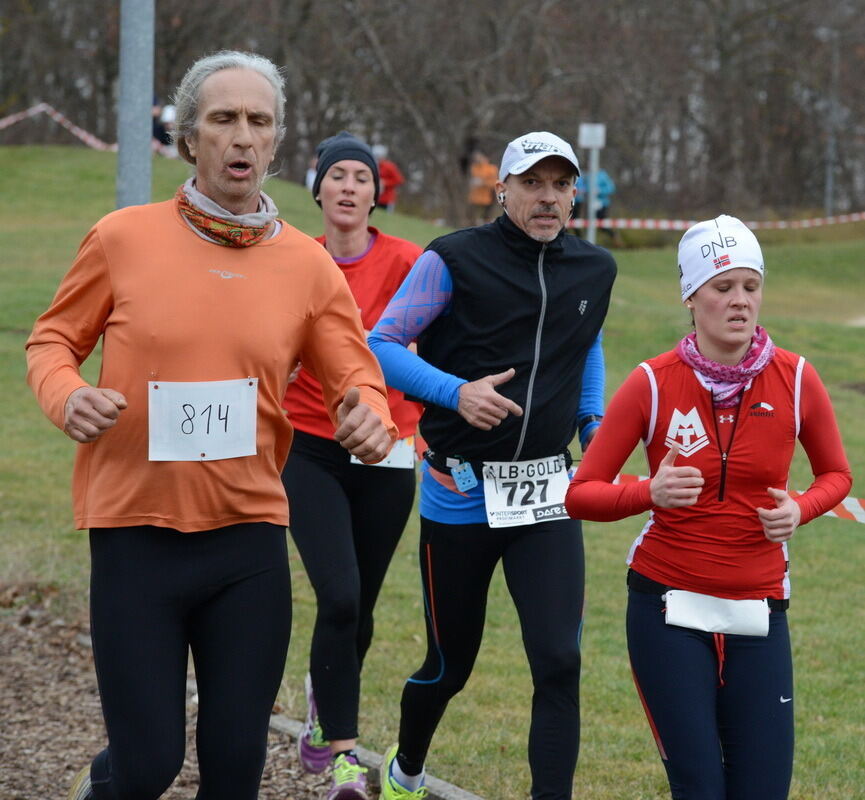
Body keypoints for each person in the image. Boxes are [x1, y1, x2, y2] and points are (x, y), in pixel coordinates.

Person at [26, 50, 396, 800]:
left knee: (234, 771)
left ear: (276, 140)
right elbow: (52, 341)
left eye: (259, 121)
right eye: (223, 119)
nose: (242, 136)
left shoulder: (306, 265)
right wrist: (67, 397)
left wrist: (369, 415)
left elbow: (356, 376)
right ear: (189, 137)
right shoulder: (122, 238)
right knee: (146, 765)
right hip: (135, 534)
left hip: (247, 539)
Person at [565, 215, 852, 800]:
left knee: (763, 789)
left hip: (759, 608)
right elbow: (581, 494)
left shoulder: (797, 378)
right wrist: (649, 491)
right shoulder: (651, 382)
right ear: (691, 297)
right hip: (667, 607)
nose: (740, 300)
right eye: (723, 287)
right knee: (699, 788)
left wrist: (801, 509)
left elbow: (838, 475)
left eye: (751, 285)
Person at [368, 131, 617, 799]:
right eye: (531, 183)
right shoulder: (452, 259)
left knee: (559, 662)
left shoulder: (593, 269)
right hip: (460, 493)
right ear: (501, 190)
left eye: (560, 184)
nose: (547, 197)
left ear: (575, 194)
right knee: (449, 666)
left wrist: (592, 422)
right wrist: (456, 392)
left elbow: (583, 344)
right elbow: (381, 344)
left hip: (546, 494)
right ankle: (405, 771)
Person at [281, 130, 423, 800]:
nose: (347, 186)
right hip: (307, 445)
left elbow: (435, 345)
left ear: (375, 194)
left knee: (358, 605)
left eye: (359, 177)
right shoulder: (293, 259)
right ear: (318, 189)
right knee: (337, 594)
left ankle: (323, 704)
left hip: (389, 447)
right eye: (336, 174)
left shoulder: (408, 262)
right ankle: (344, 756)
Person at [467, 150, 498, 224]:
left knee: (486, 217)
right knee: (471, 217)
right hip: (475, 197)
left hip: (488, 197)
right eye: (476, 157)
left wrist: (482, 183)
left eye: (480, 157)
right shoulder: (474, 167)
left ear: (485, 157)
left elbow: (494, 183)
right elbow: (471, 180)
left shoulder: (492, 169)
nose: (477, 159)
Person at [373, 144, 405, 213]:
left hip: (387, 199)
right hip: (374, 197)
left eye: (378, 156)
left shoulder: (389, 166)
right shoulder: (372, 165)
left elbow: (399, 180)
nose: (377, 158)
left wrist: (385, 183)